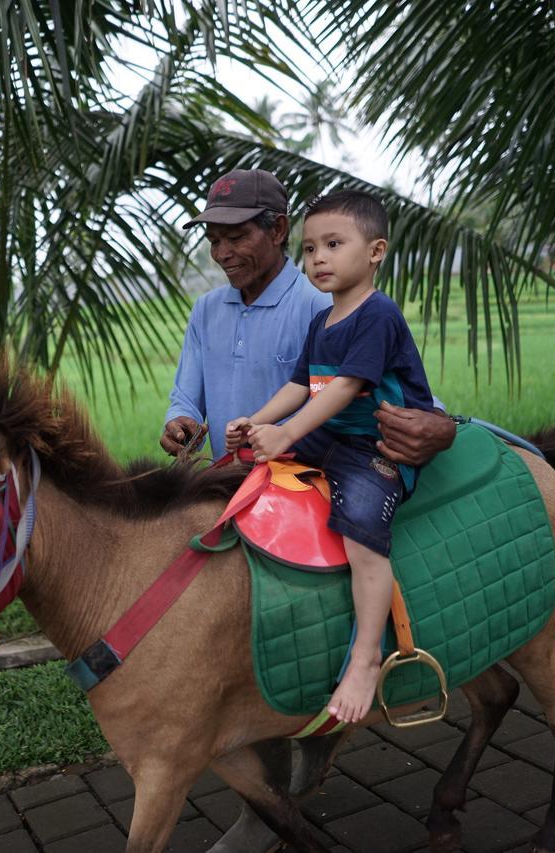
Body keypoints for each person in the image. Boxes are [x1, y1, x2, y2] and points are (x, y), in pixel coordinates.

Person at [224, 189, 433, 723]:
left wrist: (287, 432)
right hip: (330, 435)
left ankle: (366, 655)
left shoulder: (377, 315)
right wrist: (258, 422)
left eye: (334, 244)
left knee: (362, 531)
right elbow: (300, 384)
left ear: (375, 251)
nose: (319, 258)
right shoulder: (323, 321)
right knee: (249, 480)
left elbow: (342, 389)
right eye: (311, 247)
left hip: (374, 444)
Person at [161, 169, 453, 468]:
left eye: (236, 237)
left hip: (301, 484)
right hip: (226, 484)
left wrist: (439, 423)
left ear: (278, 230)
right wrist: (180, 423)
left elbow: (397, 383)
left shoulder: (328, 306)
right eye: (214, 241)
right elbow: (186, 398)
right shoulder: (206, 310)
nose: (222, 253)